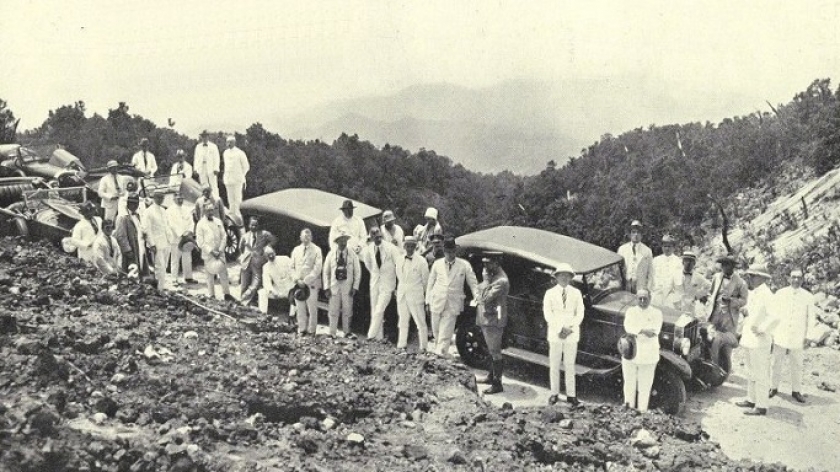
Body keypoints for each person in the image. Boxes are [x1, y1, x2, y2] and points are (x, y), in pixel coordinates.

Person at [736, 265, 779, 416]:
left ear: (762, 278)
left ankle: (761, 405)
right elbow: (753, 310)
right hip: (750, 338)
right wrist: (745, 311)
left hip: (760, 339)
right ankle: (751, 398)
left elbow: (775, 316)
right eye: (750, 276)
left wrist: (762, 328)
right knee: (750, 370)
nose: (750, 278)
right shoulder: (754, 293)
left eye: (753, 276)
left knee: (760, 372)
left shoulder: (767, 295)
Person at [426, 237, 478, 357]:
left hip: (453, 303)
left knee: (446, 333)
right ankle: (440, 353)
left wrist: (477, 297)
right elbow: (430, 283)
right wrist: (427, 301)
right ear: (444, 251)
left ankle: (439, 355)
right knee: (436, 332)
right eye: (448, 251)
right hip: (437, 300)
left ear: (456, 251)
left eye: (453, 251)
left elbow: (473, 283)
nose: (451, 254)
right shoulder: (437, 264)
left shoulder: (464, 265)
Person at [770, 269, 815, 403]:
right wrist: (772, 333)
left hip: (798, 335)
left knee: (797, 364)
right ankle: (773, 387)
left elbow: (811, 318)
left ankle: (796, 391)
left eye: (799, 278)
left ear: (802, 280)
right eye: (793, 277)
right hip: (781, 333)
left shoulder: (808, 296)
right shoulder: (780, 293)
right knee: (776, 362)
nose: (796, 280)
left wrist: (809, 336)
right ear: (789, 278)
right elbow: (773, 314)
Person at [543, 263, 584, 406]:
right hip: (555, 333)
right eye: (562, 275)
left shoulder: (576, 293)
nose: (564, 278)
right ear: (556, 277)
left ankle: (571, 395)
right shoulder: (549, 293)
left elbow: (580, 313)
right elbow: (548, 314)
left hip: (571, 333)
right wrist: (560, 328)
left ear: (571, 277)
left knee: (570, 365)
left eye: (567, 275)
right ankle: (554, 393)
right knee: (554, 364)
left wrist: (569, 328)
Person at [475, 252, 510, 395]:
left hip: (494, 319)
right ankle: (491, 376)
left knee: (495, 352)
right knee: (491, 349)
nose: (485, 266)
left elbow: (484, 298)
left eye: (488, 263)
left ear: (496, 263)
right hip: (488, 317)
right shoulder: (493, 277)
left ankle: (497, 383)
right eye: (484, 263)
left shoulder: (500, 280)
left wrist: (484, 281)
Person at [622, 289, 663, 412]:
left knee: (644, 387)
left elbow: (655, 331)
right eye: (640, 298)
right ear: (636, 298)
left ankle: (642, 412)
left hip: (649, 355)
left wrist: (638, 330)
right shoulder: (630, 312)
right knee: (629, 384)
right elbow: (628, 327)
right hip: (631, 353)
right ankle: (629, 411)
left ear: (650, 298)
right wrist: (643, 330)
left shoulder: (657, 313)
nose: (642, 301)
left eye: (645, 298)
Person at [707, 254, 748, 369]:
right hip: (714, 314)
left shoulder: (741, 282)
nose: (724, 267)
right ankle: (711, 366)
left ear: (733, 266)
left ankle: (725, 368)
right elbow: (711, 292)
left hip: (729, 318)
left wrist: (731, 301)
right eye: (723, 264)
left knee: (726, 345)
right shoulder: (716, 277)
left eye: (727, 264)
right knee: (710, 339)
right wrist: (709, 301)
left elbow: (744, 300)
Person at [360, 226, 401, 341]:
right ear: (371, 237)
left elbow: (398, 265)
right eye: (374, 236)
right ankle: (378, 337)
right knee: (374, 309)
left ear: (381, 235)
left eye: (379, 236)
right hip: (375, 282)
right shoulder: (368, 249)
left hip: (388, 283)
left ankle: (370, 336)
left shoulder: (391, 248)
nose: (377, 238)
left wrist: (397, 284)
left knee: (380, 308)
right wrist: (375, 274)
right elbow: (368, 264)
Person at [323, 230, 362, 337]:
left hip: (347, 287)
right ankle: (332, 332)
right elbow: (325, 272)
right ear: (337, 241)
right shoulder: (331, 254)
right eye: (341, 239)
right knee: (333, 310)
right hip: (334, 287)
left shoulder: (352, 254)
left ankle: (347, 332)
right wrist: (326, 287)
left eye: (345, 239)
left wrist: (355, 287)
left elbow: (357, 271)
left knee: (347, 310)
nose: (343, 242)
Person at [395, 236, 430, 350]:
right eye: (407, 246)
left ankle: (423, 347)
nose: (410, 248)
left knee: (420, 322)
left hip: (416, 295)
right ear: (404, 246)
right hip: (402, 294)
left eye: (412, 246)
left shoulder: (421, 261)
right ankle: (401, 345)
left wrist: (425, 297)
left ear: (416, 247)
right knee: (403, 321)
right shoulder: (399, 259)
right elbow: (399, 276)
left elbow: (426, 281)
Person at [290, 228, 323, 335]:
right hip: (299, 284)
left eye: (309, 236)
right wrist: (296, 279)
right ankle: (302, 329)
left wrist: (306, 281)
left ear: (311, 237)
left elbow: (317, 268)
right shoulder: (296, 250)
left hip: (311, 284)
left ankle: (312, 331)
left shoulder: (317, 250)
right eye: (304, 236)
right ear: (300, 237)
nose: (306, 238)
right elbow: (291, 267)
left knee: (312, 309)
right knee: (300, 308)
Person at [238, 217, 277, 306]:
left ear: (259, 225)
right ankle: (244, 304)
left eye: (256, 225)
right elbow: (241, 248)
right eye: (252, 225)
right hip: (246, 263)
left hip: (258, 262)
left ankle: (244, 300)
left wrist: (267, 247)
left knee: (255, 283)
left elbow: (274, 239)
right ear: (249, 225)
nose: (254, 227)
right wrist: (245, 255)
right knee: (244, 283)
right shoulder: (245, 236)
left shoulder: (264, 234)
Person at [142, 192, 176, 291]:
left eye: (162, 197)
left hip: (166, 242)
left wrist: (170, 239)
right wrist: (151, 244)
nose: (160, 199)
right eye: (158, 197)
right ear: (154, 198)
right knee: (159, 267)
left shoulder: (163, 210)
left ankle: (161, 286)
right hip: (156, 243)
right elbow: (147, 229)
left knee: (164, 266)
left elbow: (167, 225)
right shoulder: (148, 211)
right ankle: (159, 289)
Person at [165, 192, 197, 284]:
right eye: (178, 198)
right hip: (176, 239)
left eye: (181, 198)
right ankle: (174, 279)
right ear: (174, 199)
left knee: (187, 258)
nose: (180, 200)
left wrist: (189, 232)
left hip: (187, 238)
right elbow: (172, 224)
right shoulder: (169, 211)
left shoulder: (186, 209)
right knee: (175, 259)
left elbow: (191, 222)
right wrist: (182, 234)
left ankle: (188, 277)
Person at [671, 250, 711, 317]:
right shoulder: (675, 275)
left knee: (688, 325)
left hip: (690, 308)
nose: (688, 263)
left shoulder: (698, 277)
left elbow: (710, 286)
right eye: (686, 260)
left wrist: (698, 295)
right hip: (676, 306)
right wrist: (674, 298)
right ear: (683, 262)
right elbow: (669, 289)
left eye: (691, 261)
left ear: (694, 263)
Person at [114, 195, 147, 276]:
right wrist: (127, 250)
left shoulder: (138, 216)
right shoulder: (123, 217)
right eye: (132, 203)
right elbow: (120, 236)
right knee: (131, 273)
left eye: (136, 203)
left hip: (140, 246)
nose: (134, 205)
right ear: (128, 204)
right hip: (131, 249)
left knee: (140, 269)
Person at [616, 220, 652, 293]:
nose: (636, 234)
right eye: (633, 232)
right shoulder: (622, 249)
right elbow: (618, 270)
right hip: (626, 286)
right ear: (629, 234)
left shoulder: (647, 251)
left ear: (641, 234)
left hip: (640, 287)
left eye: (638, 232)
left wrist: (648, 289)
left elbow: (651, 273)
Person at [258, 246, 295, 317]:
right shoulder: (265, 267)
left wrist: (294, 284)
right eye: (268, 255)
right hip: (277, 290)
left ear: (274, 252)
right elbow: (266, 282)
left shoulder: (285, 259)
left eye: (272, 253)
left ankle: (291, 316)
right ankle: (263, 315)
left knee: (296, 292)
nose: (271, 256)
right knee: (262, 292)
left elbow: (293, 272)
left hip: (290, 288)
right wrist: (272, 291)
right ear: (265, 257)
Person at [222, 135, 249, 221]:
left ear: (234, 142)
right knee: (230, 200)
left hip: (237, 180)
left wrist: (241, 175)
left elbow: (246, 166)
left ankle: (239, 217)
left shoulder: (240, 153)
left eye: (230, 142)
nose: (228, 144)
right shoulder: (225, 153)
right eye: (227, 142)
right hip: (228, 179)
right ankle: (232, 217)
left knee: (237, 199)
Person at [649, 234, 682, 306]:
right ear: (662, 247)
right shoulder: (656, 260)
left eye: (669, 246)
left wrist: (677, 296)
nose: (667, 248)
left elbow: (679, 282)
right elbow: (651, 278)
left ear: (674, 247)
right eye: (665, 246)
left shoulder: (678, 261)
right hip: (656, 294)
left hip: (671, 296)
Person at [193, 130, 220, 198]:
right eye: (203, 136)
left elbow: (217, 158)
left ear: (208, 137)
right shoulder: (198, 147)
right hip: (201, 167)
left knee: (213, 184)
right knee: (204, 184)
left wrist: (216, 168)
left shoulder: (213, 146)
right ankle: (206, 199)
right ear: (201, 137)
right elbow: (196, 158)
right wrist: (195, 169)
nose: (204, 138)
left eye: (205, 136)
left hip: (211, 168)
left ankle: (216, 199)